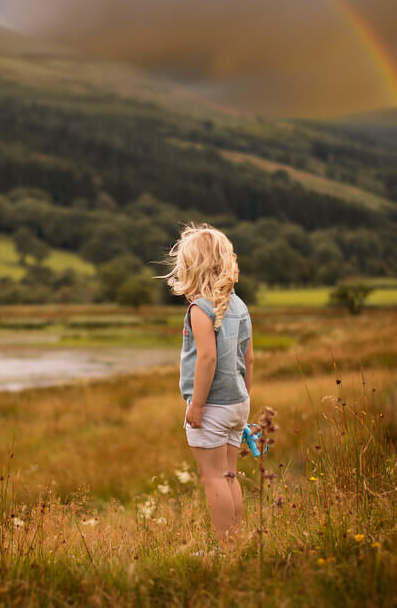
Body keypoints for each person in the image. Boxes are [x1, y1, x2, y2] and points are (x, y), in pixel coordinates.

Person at [158, 222, 253, 549]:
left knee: (213, 478)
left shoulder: (200, 308)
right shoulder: (239, 306)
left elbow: (207, 359)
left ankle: (226, 548)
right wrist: (244, 401)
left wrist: (196, 405)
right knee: (229, 476)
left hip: (211, 407)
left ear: (189, 267)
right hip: (238, 404)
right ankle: (235, 542)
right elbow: (248, 360)